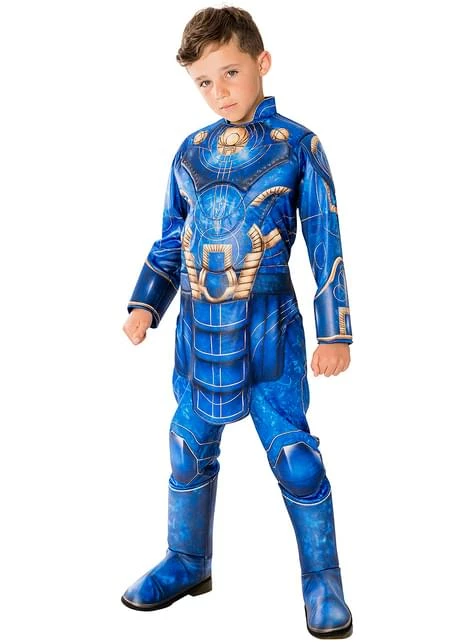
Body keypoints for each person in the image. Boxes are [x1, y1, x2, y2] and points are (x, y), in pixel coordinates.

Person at [121, 6, 353, 639]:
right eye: (204, 81)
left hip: (270, 329)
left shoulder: (299, 147)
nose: (219, 92)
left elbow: (325, 243)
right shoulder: (190, 153)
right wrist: (145, 302)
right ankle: (187, 560)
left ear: (262, 62)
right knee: (186, 448)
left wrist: (335, 332)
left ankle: (322, 578)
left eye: (230, 73)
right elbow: (172, 238)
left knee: (295, 457)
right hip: (198, 329)